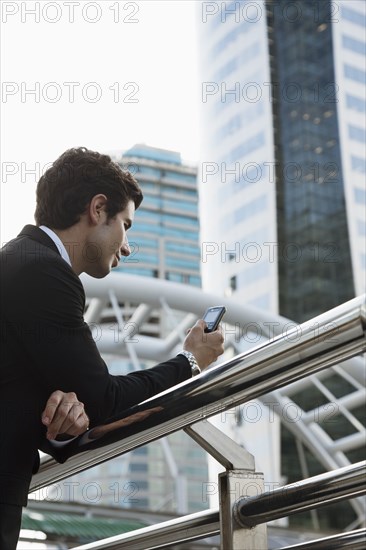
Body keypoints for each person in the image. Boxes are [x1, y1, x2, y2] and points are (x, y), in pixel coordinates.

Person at [0, 147, 224, 549]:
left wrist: (63, 413)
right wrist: (191, 360)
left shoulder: (19, 260)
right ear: (98, 209)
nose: (126, 247)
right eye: (126, 224)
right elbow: (104, 399)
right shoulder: (44, 271)